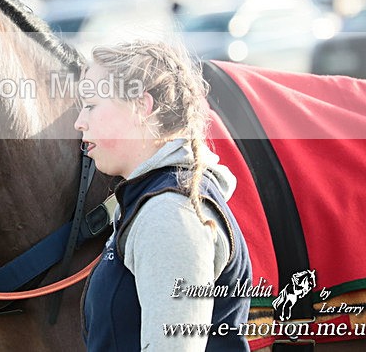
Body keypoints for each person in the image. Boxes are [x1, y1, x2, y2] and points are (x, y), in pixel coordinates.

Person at [76, 40, 252, 351]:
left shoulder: (170, 214)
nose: (80, 122)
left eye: (91, 105)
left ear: (141, 106)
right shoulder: (155, 200)